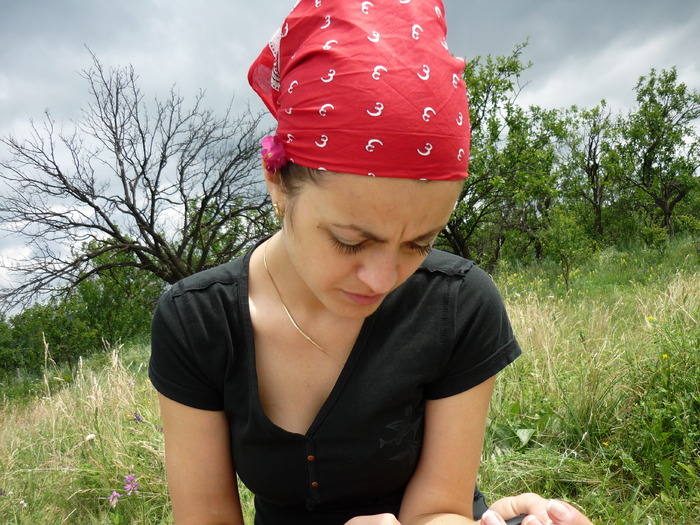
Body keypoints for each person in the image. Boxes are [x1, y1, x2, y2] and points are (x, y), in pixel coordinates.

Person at [148, 1, 595, 524]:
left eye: (418, 243)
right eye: (349, 241)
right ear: (278, 183)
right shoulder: (197, 322)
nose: (383, 279)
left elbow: (440, 511)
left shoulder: (460, 304)